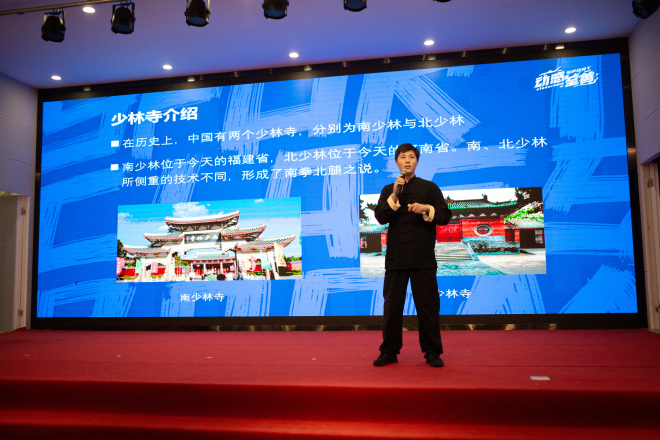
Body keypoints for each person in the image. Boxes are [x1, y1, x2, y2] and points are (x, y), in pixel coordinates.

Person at [373, 143, 452, 367]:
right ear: (396, 162)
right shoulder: (388, 189)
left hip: (422, 257)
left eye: (411, 157)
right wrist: (394, 195)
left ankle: (432, 352)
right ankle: (389, 351)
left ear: (417, 161)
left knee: (428, 306)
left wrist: (427, 209)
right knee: (392, 307)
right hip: (396, 258)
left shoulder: (430, 188)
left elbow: (445, 215)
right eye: (402, 157)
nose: (407, 161)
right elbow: (380, 217)